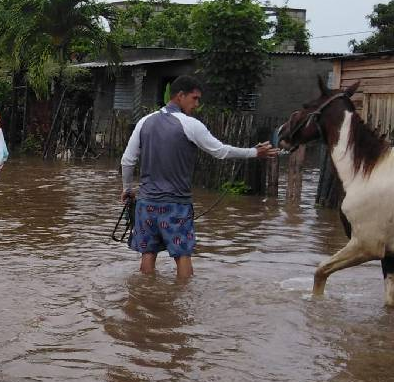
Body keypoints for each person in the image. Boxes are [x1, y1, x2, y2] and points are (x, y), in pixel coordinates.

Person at [119, 75, 278, 278]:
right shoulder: (189, 124)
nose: (197, 104)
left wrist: (127, 189)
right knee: (182, 256)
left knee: (147, 254)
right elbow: (220, 151)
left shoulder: (144, 122)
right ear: (180, 96)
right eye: (194, 98)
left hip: (146, 205)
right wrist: (255, 152)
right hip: (176, 205)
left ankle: (145, 300)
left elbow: (127, 161)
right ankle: (185, 304)